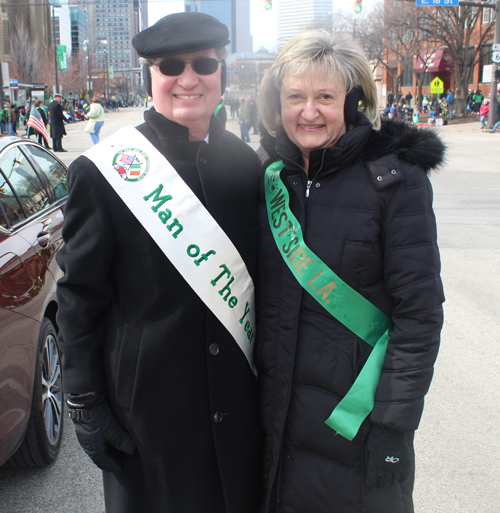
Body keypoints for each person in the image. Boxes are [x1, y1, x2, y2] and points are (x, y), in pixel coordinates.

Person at [56, 12, 261, 513]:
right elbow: (80, 296)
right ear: (150, 75)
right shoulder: (104, 172)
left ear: (222, 71)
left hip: (238, 409)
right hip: (148, 417)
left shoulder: (247, 164)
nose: (188, 79)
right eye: (171, 65)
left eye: (204, 63)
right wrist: (84, 401)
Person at [256, 29, 445, 513]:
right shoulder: (271, 180)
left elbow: (419, 315)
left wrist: (393, 425)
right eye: (295, 97)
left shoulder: (395, 183)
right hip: (277, 421)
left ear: (355, 100)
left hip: (356, 431)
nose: (308, 111)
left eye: (325, 96)